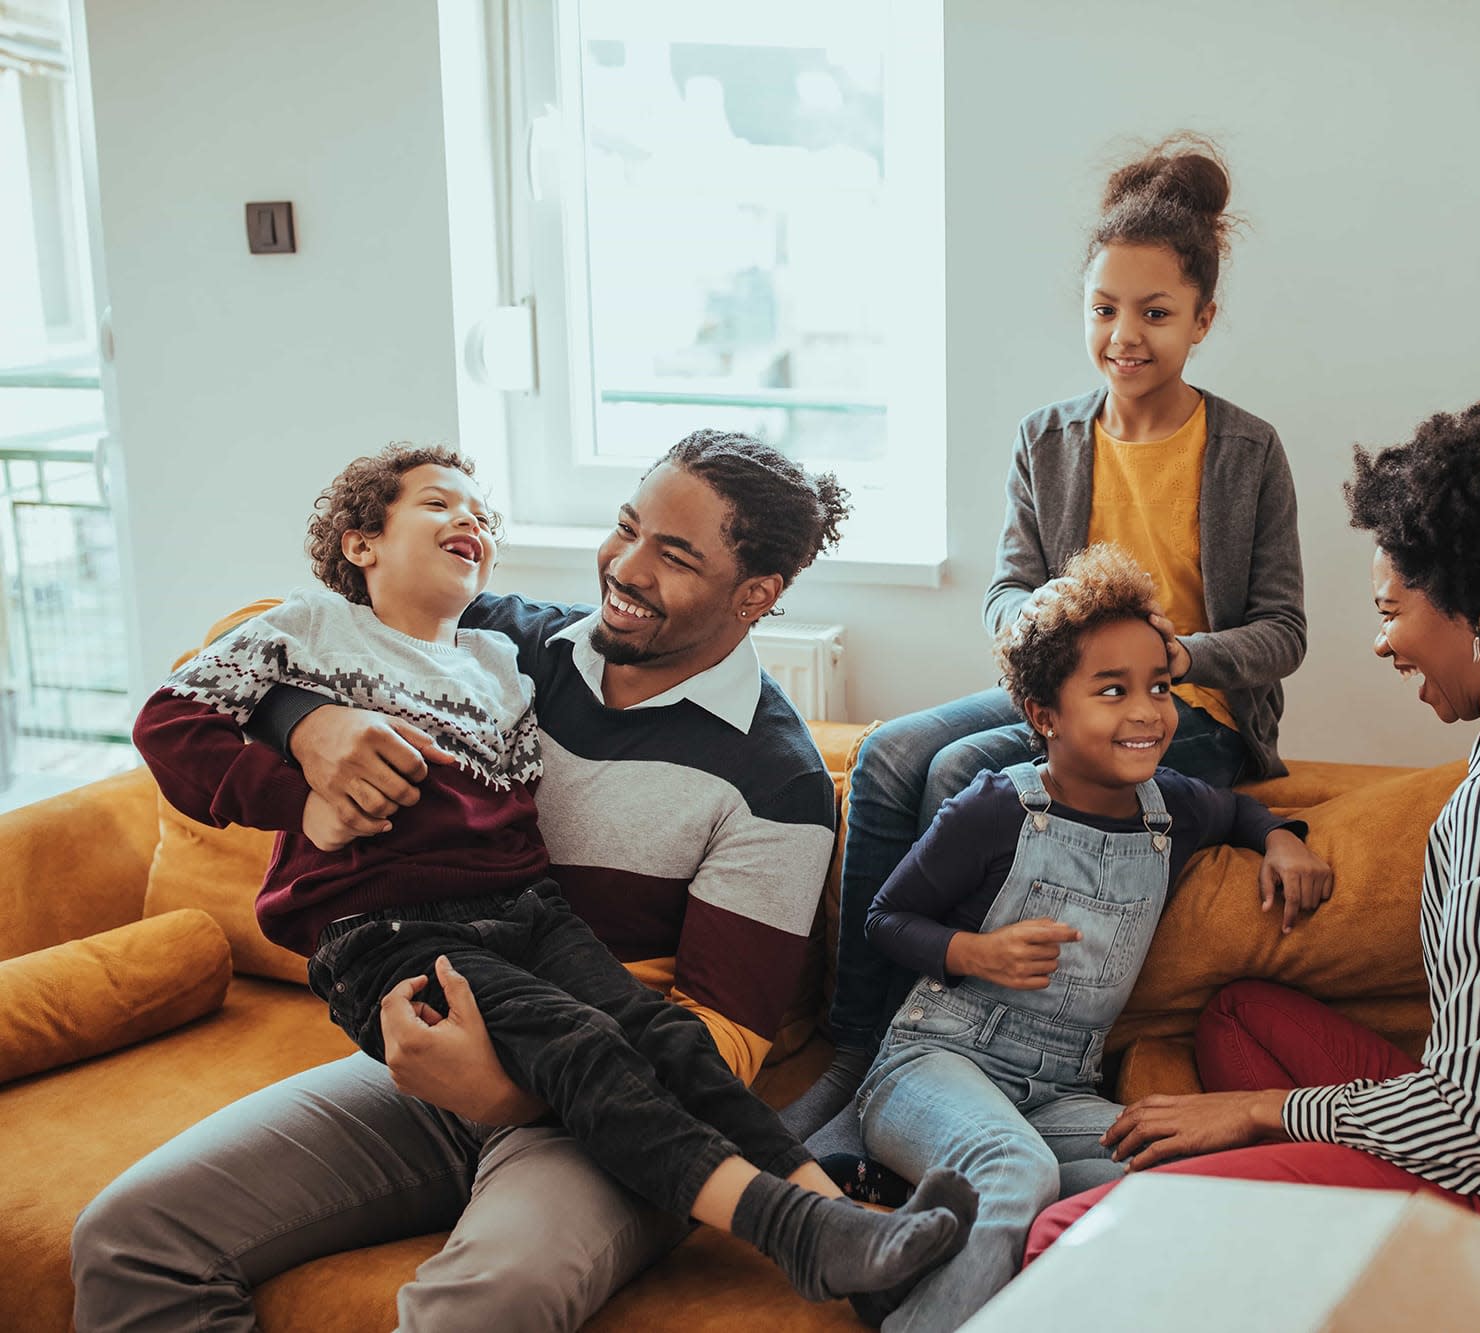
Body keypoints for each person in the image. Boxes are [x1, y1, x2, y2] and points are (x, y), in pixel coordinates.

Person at [72, 431, 938, 1331]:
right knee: (129, 1238)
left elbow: (719, 1040)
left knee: (484, 1306)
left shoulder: (780, 781)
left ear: (756, 593)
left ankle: (817, 1226)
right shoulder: (504, 643)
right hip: (428, 1034)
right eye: (625, 527)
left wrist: (503, 1087)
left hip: (609, 1109)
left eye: (673, 554)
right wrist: (309, 725)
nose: (624, 567)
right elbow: (286, 640)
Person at [1025, 403, 1480, 1286]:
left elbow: (1471, 1124)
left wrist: (1255, 1113)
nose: (1381, 640)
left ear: (1475, 607)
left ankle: (1242, 1238)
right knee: (1241, 1011)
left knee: (1062, 1232)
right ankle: (1263, 1246)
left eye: (1392, 611)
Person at [785, 132, 1308, 1149]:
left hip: (1182, 712)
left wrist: (1176, 662)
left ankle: (947, 1049)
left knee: (963, 773)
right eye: (1103, 309)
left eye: (1154, 312)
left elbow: (1282, 632)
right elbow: (1005, 590)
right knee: (894, 751)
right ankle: (858, 1045)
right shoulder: (1047, 438)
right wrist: (1024, 632)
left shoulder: (1247, 451)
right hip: (1067, 690)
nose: (1124, 334)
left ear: (1202, 319)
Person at [853, 543, 1331, 1329]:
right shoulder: (992, 808)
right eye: (1112, 691)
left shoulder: (1173, 807)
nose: (1147, 711)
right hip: (933, 1063)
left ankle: (911, 1260)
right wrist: (973, 952)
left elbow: (1242, 811)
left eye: (1160, 687)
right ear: (1045, 715)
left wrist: (1281, 837)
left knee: (1185, 1174)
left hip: (1062, 1092)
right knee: (1014, 1169)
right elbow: (885, 918)